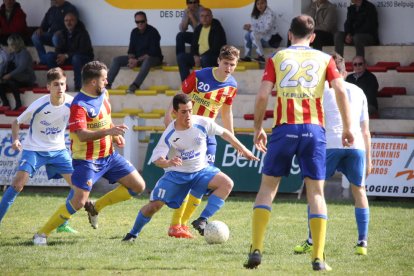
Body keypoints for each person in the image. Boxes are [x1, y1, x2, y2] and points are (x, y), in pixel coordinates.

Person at [243, 15, 354, 271]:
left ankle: (257, 248)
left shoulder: (277, 57)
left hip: (284, 129)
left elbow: (262, 95)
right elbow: (339, 90)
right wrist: (348, 128)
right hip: (314, 131)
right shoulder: (325, 59)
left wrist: (258, 127)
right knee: (316, 192)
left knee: (267, 188)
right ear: (313, 37)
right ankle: (318, 257)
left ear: (290, 35)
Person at [33, 61, 146, 245]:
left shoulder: (104, 94)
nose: (107, 82)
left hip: (109, 156)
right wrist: (108, 132)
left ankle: (96, 207)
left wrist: (114, 134)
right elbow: (82, 135)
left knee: (138, 186)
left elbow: (106, 119)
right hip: (86, 160)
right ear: (93, 82)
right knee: (78, 202)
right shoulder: (79, 105)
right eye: (104, 79)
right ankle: (41, 234)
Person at [121, 93, 259, 242]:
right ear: (174, 113)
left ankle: (202, 219)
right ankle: (132, 234)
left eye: (190, 110)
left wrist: (243, 149)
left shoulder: (202, 122)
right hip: (176, 175)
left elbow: (225, 133)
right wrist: (168, 162)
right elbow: (156, 159)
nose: (188, 115)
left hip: (201, 171)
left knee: (226, 184)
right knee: (153, 206)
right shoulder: (170, 134)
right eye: (183, 112)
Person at [294, 53, 371, 256]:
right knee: (360, 192)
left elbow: (313, 123)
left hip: (330, 144)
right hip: (357, 146)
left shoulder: (322, 92)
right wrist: (369, 160)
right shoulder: (359, 91)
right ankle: (362, 243)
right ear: (345, 71)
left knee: (315, 191)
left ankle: (312, 240)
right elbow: (365, 130)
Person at [164, 45, 239, 239]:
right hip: (189, 134)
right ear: (218, 62)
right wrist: (170, 124)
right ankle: (175, 225)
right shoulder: (199, 76)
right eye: (225, 63)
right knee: (189, 180)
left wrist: (231, 136)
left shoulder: (232, 85)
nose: (228, 68)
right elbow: (177, 100)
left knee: (202, 181)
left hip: (209, 136)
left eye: (232, 64)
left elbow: (226, 111)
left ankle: (183, 225)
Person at [0, 67, 77, 234]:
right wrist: (15, 140)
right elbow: (16, 122)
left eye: (62, 84)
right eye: (56, 84)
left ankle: (62, 223)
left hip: (58, 150)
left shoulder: (72, 103)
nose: (60, 88)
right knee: (18, 185)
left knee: (78, 187)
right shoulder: (39, 104)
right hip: (33, 149)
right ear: (48, 87)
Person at [106, 11, 163, 93]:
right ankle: (107, 85)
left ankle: (135, 85)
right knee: (116, 60)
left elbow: (152, 53)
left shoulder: (153, 32)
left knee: (147, 61)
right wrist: (131, 59)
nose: (140, 24)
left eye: (142, 21)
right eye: (137, 22)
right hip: (137, 59)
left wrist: (137, 61)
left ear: (146, 21)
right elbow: (131, 50)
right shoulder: (134, 32)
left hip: (153, 59)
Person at [42, 12, 94, 91]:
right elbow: (59, 49)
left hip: (83, 58)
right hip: (69, 57)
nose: (68, 23)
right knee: (49, 56)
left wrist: (66, 56)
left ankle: (78, 86)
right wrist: (60, 56)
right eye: (66, 20)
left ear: (76, 21)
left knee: (76, 58)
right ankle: (57, 83)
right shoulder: (62, 33)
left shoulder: (83, 33)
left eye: (71, 20)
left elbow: (83, 50)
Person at [177, 8, 227, 81]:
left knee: (205, 58)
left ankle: (206, 84)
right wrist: (195, 55)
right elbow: (194, 45)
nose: (204, 18)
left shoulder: (216, 27)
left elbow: (216, 48)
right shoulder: (198, 28)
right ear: (199, 18)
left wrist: (200, 57)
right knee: (181, 57)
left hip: (213, 57)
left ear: (211, 17)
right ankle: (186, 85)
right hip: (200, 57)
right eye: (202, 16)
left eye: (207, 16)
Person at [0, 34, 35, 110]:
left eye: (10, 45)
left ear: (15, 45)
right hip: (16, 78)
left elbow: (22, 67)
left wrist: (9, 75)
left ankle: (18, 104)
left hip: (26, 79)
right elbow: (5, 64)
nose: (8, 47)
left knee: (11, 81)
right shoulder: (13, 54)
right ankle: (5, 103)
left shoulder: (24, 53)